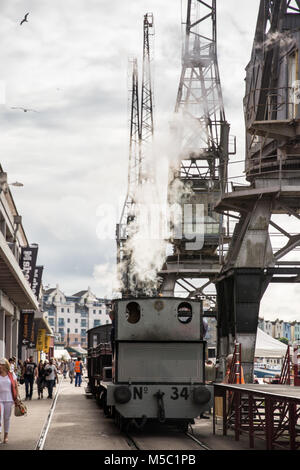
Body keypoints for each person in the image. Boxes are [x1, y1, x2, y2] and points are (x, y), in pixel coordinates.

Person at [0, 358, 19, 444]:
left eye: (1, 364)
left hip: (9, 399)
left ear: (5, 365)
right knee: (0, 417)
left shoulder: (11, 374)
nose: (0, 366)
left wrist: (17, 397)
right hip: (0, 399)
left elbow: (15, 386)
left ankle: (6, 435)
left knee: (6, 418)